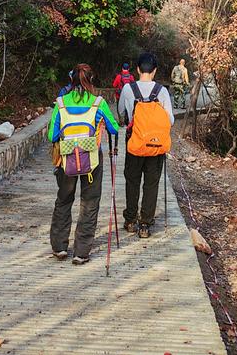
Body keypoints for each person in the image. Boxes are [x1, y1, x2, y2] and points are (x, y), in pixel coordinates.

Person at [48, 63, 119, 265]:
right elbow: (114, 129)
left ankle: (60, 248)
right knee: (89, 202)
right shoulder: (98, 103)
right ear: (92, 80)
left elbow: (51, 134)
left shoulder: (60, 103)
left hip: (66, 160)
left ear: (71, 80)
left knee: (63, 200)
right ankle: (81, 252)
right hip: (91, 161)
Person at [118, 51, 174, 238]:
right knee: (151, 183)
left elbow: (121, 113)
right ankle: (145, 224)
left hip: (134, 142)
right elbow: (170, 120)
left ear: (137, 69)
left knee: (132, 180)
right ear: (155, 70)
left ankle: (131, 220)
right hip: (155, 145)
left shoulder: (128, 89)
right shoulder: (162, 91)